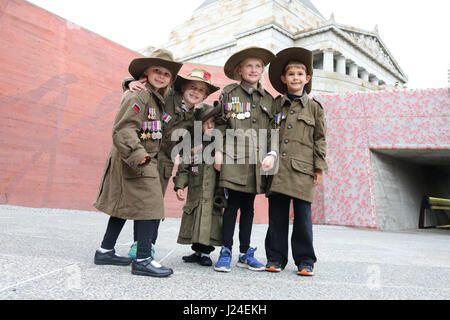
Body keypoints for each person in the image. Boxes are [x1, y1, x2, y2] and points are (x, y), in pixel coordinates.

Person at [93, 49, 182, 277]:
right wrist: (140, 158)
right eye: (157, 71)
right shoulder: (139, 96)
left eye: (166, 73)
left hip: (134, 158)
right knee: (151, 207)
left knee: (123, 206)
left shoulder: (155, 97)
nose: (161, 76)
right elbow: (123, 129)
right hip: (136, 159)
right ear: (146, 72)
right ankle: (143, 260)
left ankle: (105, 251)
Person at [123, 68, 220, 259]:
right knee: (143, 204)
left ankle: (148, 245)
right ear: (182, 87)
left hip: (164, 163)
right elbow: (146, 89)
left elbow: (213, 117)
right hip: (146, 157)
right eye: (192, 87)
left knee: (155, 206)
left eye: (201, 91)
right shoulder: (167, 97)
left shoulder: (197, 114)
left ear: (205, 96)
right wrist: (128, 82)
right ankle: (138, 244)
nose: (195, 92)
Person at [264, 47, 328, 276]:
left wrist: (319, 168)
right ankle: (275, 258)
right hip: (278, 170)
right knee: (277, 217)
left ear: (307, 78)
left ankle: (305, 260)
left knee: (302, 219)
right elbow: (268, 133)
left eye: (300, 74)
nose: (296, 78)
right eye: (291, 74)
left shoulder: (314, 108)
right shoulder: (275, 105)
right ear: (283, 78)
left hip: (303, 171)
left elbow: (320, 139)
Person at [213, 47, 278, 272]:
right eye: (248, 66)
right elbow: (220, 123)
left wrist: (271, 154)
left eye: (258, 66)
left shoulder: (269, 100)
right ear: (240, 70)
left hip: (255, 163)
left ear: (262, 71)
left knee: (249, 208)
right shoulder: (229, 93)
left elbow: (272, 131)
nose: (253, 70)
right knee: (231, 207)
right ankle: (226, 250)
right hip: (233, 159)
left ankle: (244, 252)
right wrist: (218, 151)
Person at [173, 103, 226, 266]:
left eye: (212, 122)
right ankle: (197, 251)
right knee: (195, 221)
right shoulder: (192, 145)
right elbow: (184, 168)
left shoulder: (220, 145)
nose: (209, 126)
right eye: (205, 123)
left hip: (213, 193)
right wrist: (180, 186)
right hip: (196, 192)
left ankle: (205, 253)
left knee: (209, 222)